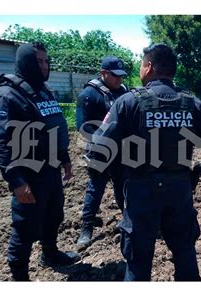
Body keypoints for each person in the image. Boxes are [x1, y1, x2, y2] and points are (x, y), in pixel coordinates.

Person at [88, 43, 201, 281]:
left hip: (141, 191)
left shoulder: (128, 102)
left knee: (138, 264)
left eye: (140, 65)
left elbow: (99, 145)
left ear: (148, 67)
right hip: (180, 189)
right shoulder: (192, 102)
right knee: (185, 254)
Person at [0, 42, 80, 281]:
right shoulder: (6, 95)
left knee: (54, 216)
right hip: (28, 174)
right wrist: (16, 181)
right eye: (38, 61)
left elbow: (54, 125)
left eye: (46, 61)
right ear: (25, 62)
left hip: (51, 170)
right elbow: (1, 143)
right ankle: (19, 276)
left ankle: (50, 254)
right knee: (24, 228)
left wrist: (64, 158)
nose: (43, 66)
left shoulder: (44, 90)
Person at [75, 56, 128, 247]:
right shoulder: (89, 95)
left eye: (121, 76)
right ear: (103, 73)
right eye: (115, 76)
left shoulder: (124, 92)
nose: (119, 80)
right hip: (100, 152)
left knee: (123, 189)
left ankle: (129, 222)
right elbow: (82, 127)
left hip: (121, 152)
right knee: (95, 190)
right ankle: (86, 228)